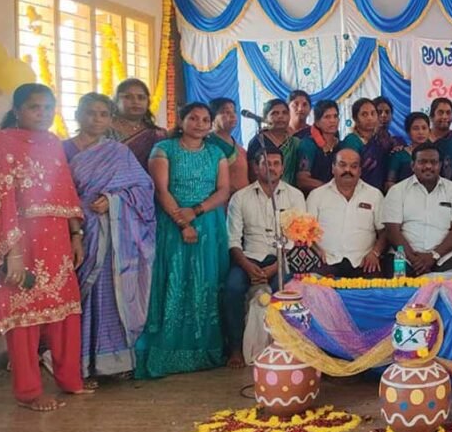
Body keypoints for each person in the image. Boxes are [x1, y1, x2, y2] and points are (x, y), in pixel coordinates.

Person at [0, 84, 90, 410]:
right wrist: (12, 255)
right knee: (26, 317)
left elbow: (66, 192)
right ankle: (29, 392)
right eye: (35, 107)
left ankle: (70, 380)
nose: (44, 113)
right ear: (17, 110)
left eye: (49, 107)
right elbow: (0, 200)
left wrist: (75, 235)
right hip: (21, 239)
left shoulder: (52, 143)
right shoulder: (1, 142)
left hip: (57, 238)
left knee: (65, 310)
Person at [135, 102, 230, 378]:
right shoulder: (164, 149)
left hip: (209, 223)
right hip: (172, 221)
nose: (200, 124)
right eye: (193, 118)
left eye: (205, 119)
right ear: (181, 120)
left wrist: (198, 211)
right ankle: (167, 354)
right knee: (174, 280)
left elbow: (223, 190)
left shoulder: (216, 153)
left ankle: (206, 350)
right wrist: (182, 221)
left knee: (208, 282)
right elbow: (160, 191)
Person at [64, 93, 156, 378]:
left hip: (112, 231)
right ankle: (74, 364)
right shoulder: (62, 149)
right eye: (91, 113)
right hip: (72, 230)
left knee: (109, 294)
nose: (97, 119)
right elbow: (55, 191)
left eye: (103, 114)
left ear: (110, 118)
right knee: (74, 295)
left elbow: (143, 188)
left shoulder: (117, 152)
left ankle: (111, 364)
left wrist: (113, 200)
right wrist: (74, 225)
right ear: (78, 115)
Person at [225, 147, 305, 368]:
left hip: (281, 259)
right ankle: (235, 349)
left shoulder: (294, 196)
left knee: (290, 290)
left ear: (283, 167)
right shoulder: (240, 198)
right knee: (232, 289)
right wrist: (248, 267)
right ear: (255, 166)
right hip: (247, 259)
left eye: (276, 163)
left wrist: (275, 267)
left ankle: (288, 347)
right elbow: (232, 240)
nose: (271, 168)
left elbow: (297, 237)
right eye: (266, 163)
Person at [383, 142, 452, 276]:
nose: (428, 166)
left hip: (445, 257)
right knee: (398, 290)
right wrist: (414, 259)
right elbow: (392, 230)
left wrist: (434, 256)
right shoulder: (397, 191)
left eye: (433, 162)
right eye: (422, 162)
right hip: (404, 257)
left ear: (440, 165)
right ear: (412, 165)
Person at [307, 147, 387, 279]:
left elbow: (384, 231)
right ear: (333, 168)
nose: (347, 170)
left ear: (360, 170)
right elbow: (306, 231)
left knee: (375, 292)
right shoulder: (317, 195)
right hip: (325, 260)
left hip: (363, 262)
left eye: (354, 166)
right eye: (342, 165)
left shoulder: (374, 195)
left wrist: (375, 253)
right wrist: (315, 251)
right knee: (312, 287)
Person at [110, 78, 167, 173]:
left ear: (148, 102)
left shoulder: (158, 135)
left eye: (141, 97)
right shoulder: (103, 131)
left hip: (148, 186)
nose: (135, 101)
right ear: (116, 101)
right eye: (128, 97)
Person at [246, 98, 301, 186]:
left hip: (290, 193)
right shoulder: (258, 141)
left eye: (285, 113)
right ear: (265, 118)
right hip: (265, 191)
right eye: (275, 113)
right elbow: (253, 174)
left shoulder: (295, 142)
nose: (280, 116)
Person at [341, 97, 390, 191]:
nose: (370, 118)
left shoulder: (379, 140)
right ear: (356, 118)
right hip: (356, 191)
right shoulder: (352, 141)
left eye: (373, 113)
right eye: (364, 114)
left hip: (379, 192)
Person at [295, 100, 342, 195]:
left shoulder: (340, 145)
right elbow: (302, 180)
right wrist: (329, 189)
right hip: (312, 198)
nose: (332, 120)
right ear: (317, 122)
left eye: (335, 116)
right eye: (327, 117)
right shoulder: (308, 145)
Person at [208, 97, 249, 193]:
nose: (232, 115)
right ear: (213, 118)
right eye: (226, 112)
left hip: (242, 200)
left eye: (234, 111)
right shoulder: (209, 142)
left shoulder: (238, 146)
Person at [387, 112, 432, 188]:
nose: (420, 132)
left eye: (424, 128)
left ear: (429, 131)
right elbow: (389, 183)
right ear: (408, 132)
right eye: (416, 128)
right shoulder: (399, 155)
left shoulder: (436, 154)